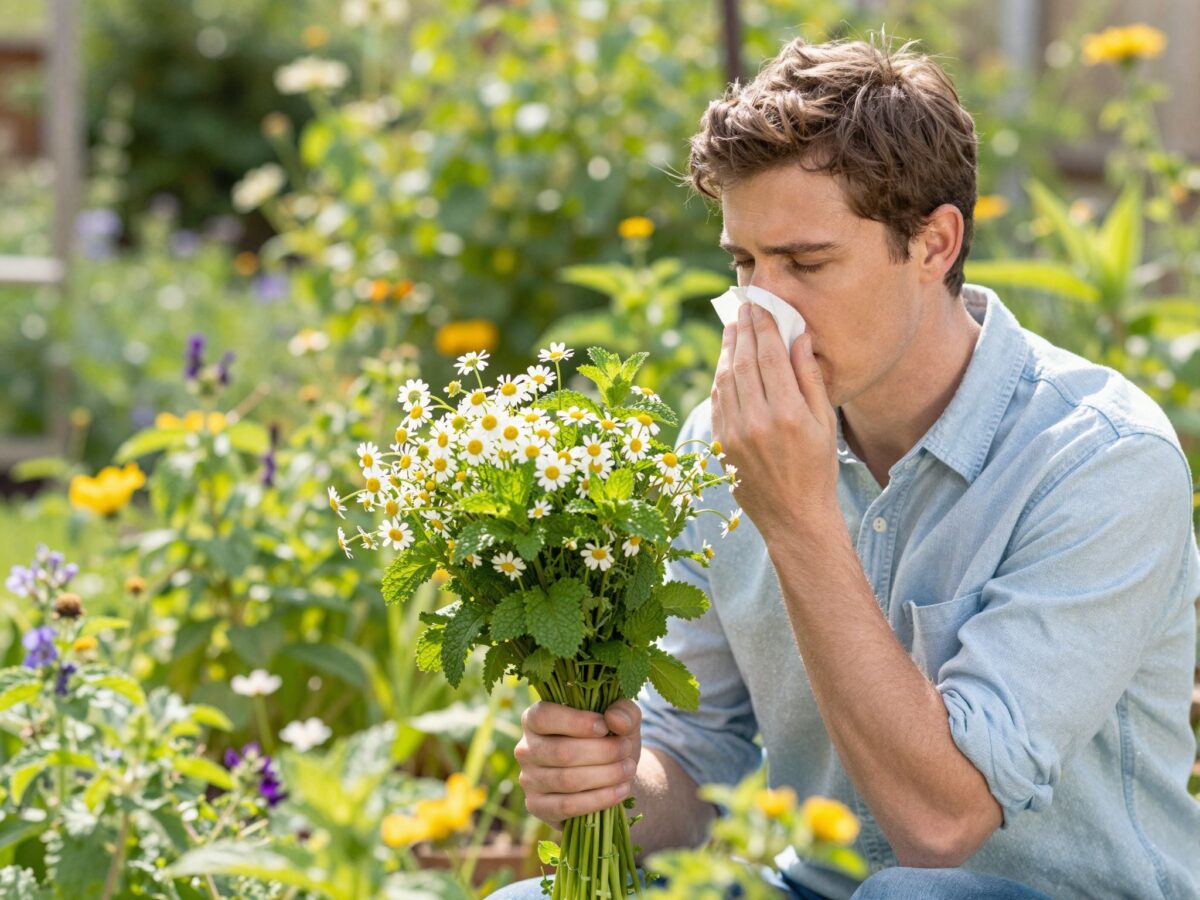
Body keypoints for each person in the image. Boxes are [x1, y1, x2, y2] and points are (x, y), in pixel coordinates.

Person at [490, 35, 1200, 900]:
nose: (761, 307)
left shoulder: (1100, 461)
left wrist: (797, 518)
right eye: (745, 263)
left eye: (807, 263)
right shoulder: (724, 439)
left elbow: (942, 829)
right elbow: (695, 757)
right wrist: (609, 784)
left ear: (934, 244)